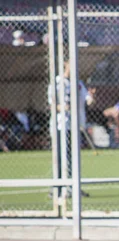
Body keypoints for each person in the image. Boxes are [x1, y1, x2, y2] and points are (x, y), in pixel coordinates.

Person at [48, 59, 90, 197]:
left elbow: (87, 99)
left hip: (75, 125)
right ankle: (57, 187)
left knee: (74, 157)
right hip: (61, 125)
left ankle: (74, 186)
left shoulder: (78, 83)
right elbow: (52, 104)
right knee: (61, 156)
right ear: (66, 65)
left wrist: (91, 99)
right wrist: (63, 107)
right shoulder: (58, 82)